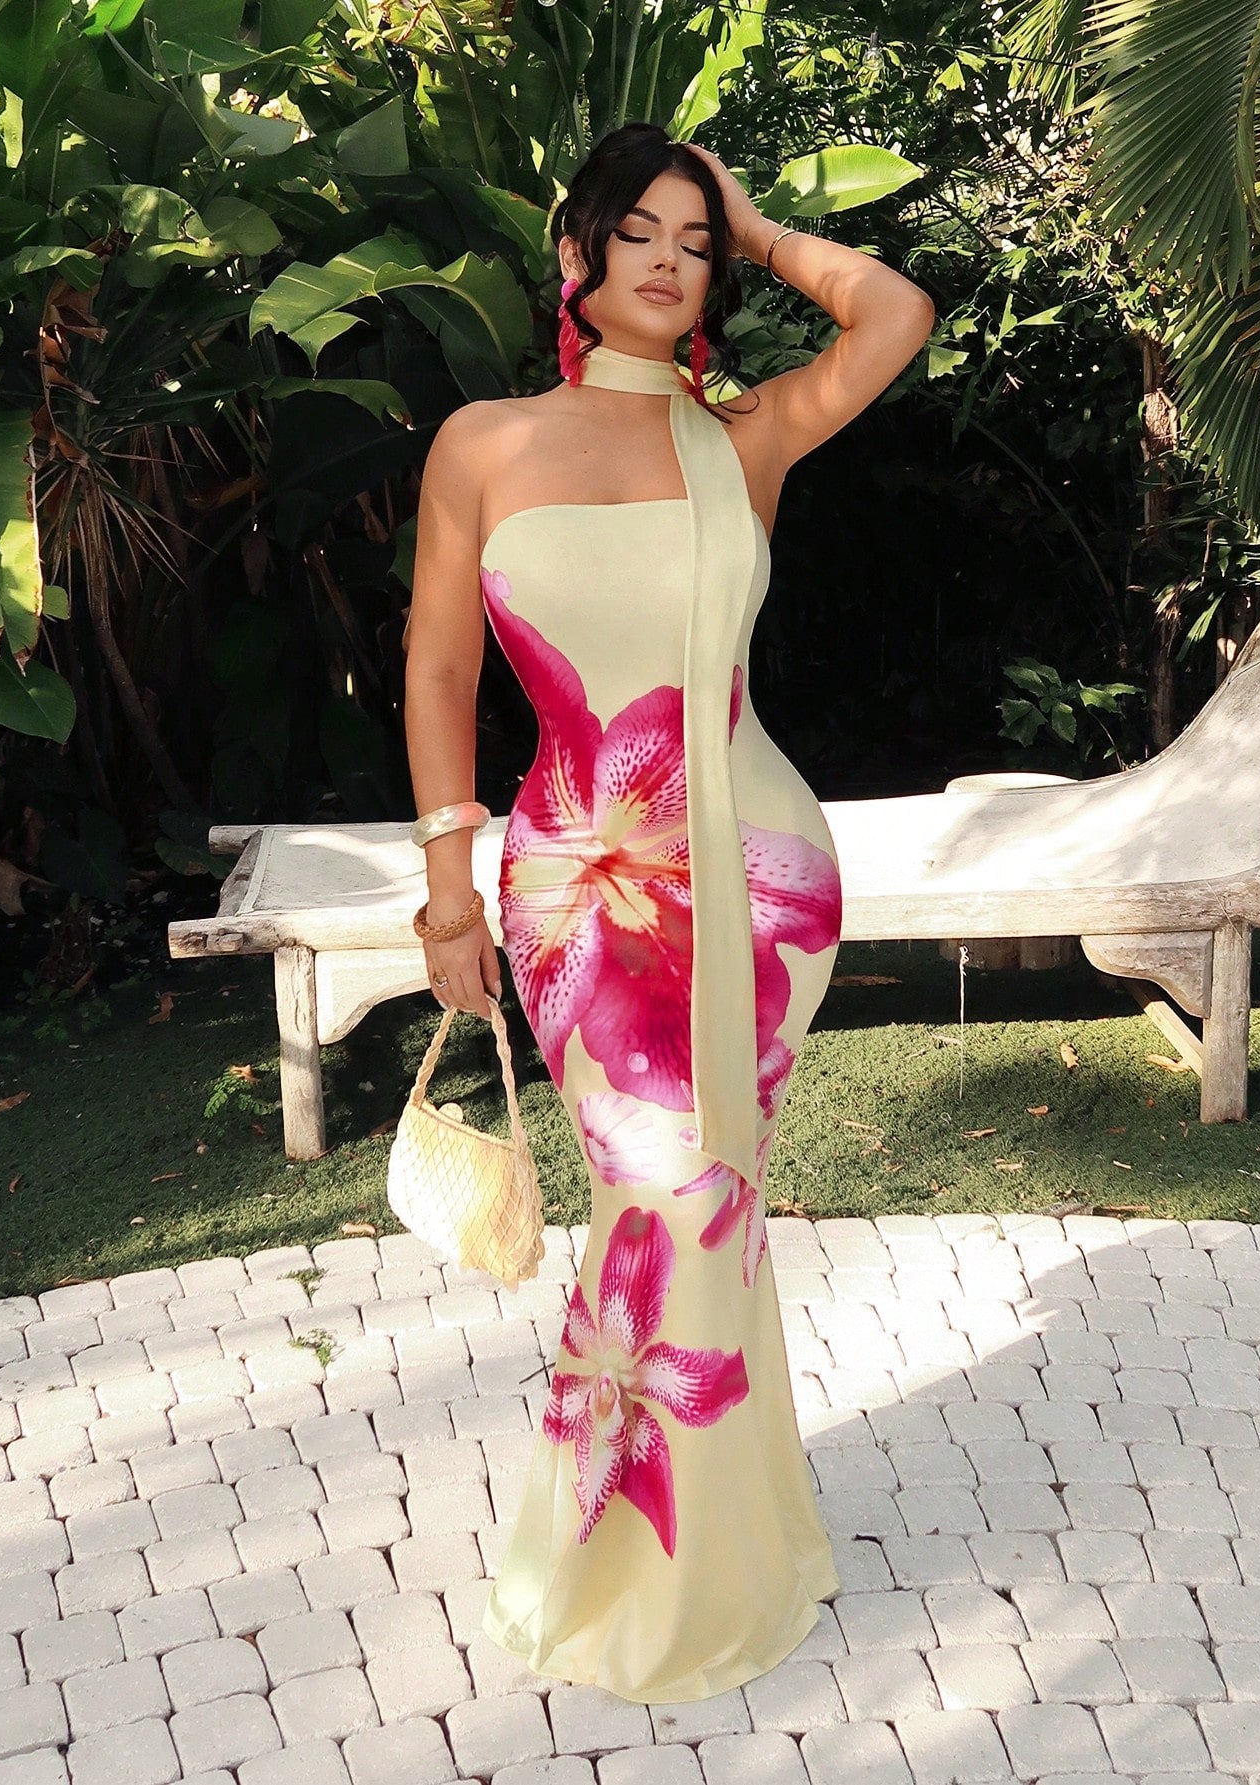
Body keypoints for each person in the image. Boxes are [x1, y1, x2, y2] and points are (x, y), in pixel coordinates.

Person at [402, 121, 933, 1704]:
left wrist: (761, 227)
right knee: (665, 1194)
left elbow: (895, 314)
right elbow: (438, 664)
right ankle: (659, 1546)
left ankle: (695, 1554)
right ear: (576, 254)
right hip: (577, 887)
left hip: (758, 878)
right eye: (640, 230)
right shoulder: (483, 444)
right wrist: (447, 884)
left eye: (694, 246)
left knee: (706, 1201)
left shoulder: (743, 437)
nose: (669, 261)